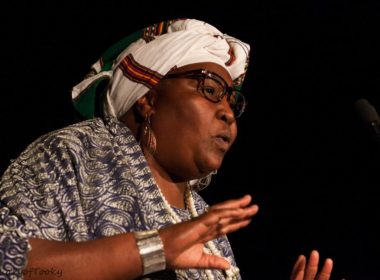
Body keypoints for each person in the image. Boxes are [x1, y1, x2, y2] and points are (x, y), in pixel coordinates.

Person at [0, 18, 333, 280]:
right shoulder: (77, 153)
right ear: (149, 99)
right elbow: (8, 261)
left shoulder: (207, 222)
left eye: (233, 102)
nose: (227, 112)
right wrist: (156, 249)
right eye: (210, 89)